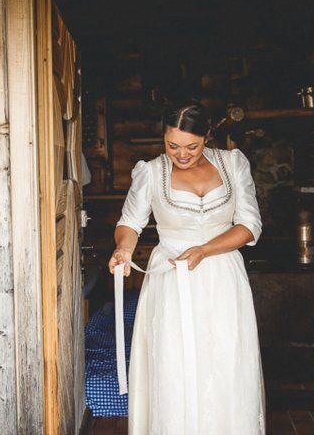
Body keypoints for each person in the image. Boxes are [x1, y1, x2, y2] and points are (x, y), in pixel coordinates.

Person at [108, 102, 266, 434]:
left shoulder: (233, 163)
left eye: (192, 146)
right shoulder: (150, 172)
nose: (181, 154)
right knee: (174, 363)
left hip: (222, 274)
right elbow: (130, 224)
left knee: (225, 360)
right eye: (172, 145)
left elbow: (250, 226)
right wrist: (124, 249)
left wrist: (205, 250)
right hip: (171, 276)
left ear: (207, 136)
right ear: (163, 139)